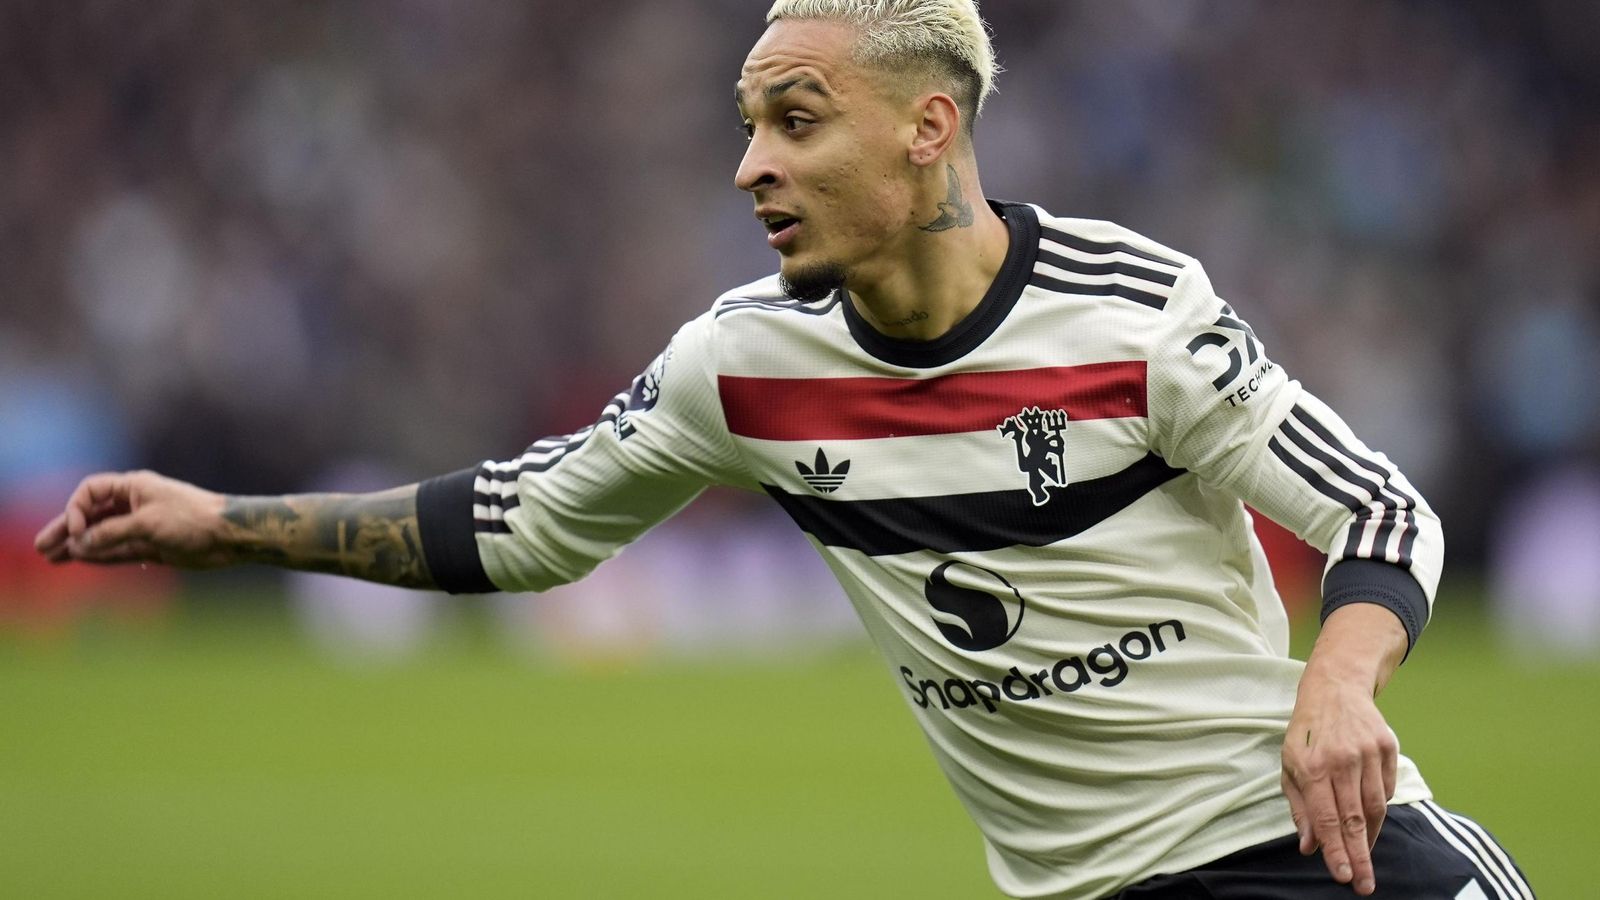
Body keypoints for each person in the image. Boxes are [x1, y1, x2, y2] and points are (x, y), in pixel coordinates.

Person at [33, 2, 1533, 897]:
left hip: (1314, 849)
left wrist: (1339, 688)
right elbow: (519, 525)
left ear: (928, 129)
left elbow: (1382, 510)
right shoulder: (742, 365)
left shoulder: (1135, 315)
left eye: (797, 121)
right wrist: (220, 525)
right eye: (749, 125)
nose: (753, 164)